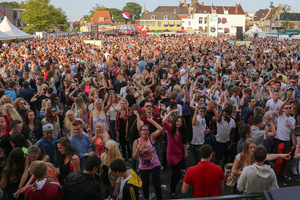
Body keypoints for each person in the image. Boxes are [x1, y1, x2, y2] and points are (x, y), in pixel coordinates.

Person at [132, 120, 163, 200]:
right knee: (145, 185)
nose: (145, 131)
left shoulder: (151, 137)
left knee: (156, 184)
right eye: (143, 130)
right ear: (140, 132)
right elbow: (135, 157)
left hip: (155, 165)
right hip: (143, 167)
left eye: (147, 130)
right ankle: (146, 198)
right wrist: (137, 150)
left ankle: (159, 198)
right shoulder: (136, 142)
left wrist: (151, 120)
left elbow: (160, 129)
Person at [162, 111, 188, 199]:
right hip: (171, 156)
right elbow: (163, 121)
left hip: (179, 155)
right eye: (177, 121)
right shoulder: (170, 129)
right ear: (175, 121)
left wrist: (186, 153)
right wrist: (171, 112)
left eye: (181, 122)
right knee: (178, 173)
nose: (179, 123)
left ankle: (171, 187)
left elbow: (184, 143)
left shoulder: (183, 132)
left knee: (175, 173)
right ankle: (172, 190)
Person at [273, 97, 296, 178]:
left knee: (286, 160)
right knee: (279, 160)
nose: (288, 109)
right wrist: (286, 100)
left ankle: (281, 174)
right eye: (286, 108)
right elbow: (280, 108)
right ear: (284, 109)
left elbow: (292, 133)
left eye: (290, 108)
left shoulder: (293, 120)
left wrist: (293, 144)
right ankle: (274, 175)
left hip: (287, 141)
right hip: (279, 140)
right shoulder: (281, 115)